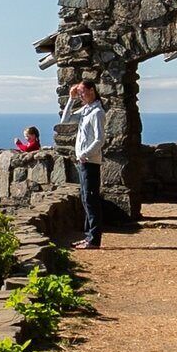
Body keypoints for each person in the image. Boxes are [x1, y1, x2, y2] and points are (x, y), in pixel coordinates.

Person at [68, 77, 113, 248]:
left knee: (91, 199)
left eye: (82, 92)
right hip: (84, 161)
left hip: (90, 162)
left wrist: (85, 154)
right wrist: (71, 100)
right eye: (79, 92)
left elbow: (100, 140)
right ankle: (88, 237)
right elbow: (66, 119)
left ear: (92, 91)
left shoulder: (97, 113)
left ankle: (94, 239)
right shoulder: (86, 110)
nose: (80, 95)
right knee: (86, 198)